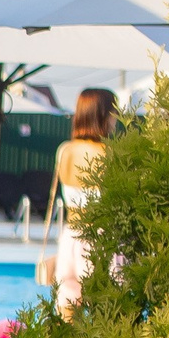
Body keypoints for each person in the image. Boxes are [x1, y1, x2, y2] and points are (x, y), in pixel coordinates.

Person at [39, 88, 116, 314]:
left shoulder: (65, 151)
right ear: (103, 115)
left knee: (67, 317)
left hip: (71, 238)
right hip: (100, 239)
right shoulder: (110, 154)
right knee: (105, 320)